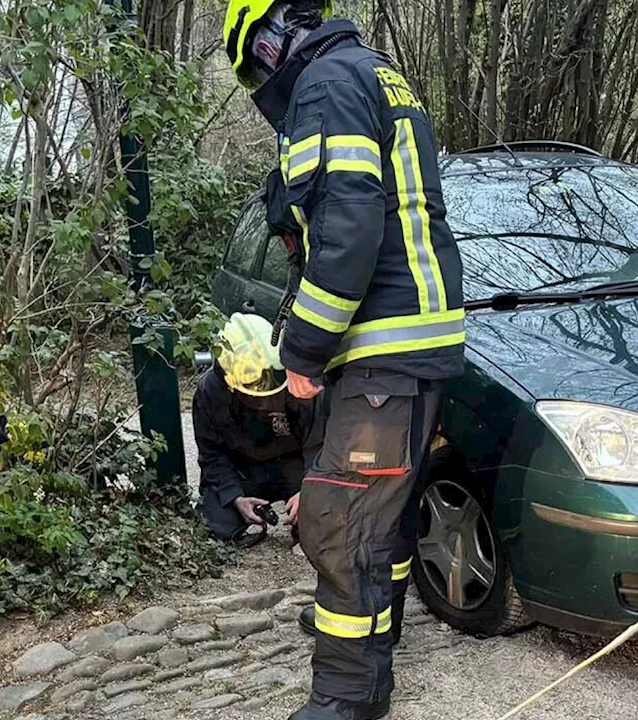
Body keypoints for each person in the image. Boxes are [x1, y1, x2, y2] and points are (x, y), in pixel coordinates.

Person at [222, 0, 465, 716]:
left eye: (255, 61)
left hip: (379, 348)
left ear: (270, 41)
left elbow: (346, 231)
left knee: (340, 525)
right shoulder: (378, 74)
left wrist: (302, 350)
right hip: (410, 347)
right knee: (376, 525)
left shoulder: (327, 86)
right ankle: (364, 635)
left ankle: (346, 696)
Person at [193, 313, 318, 545]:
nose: (264, 401)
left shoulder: (296, 383)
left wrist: (311, 490)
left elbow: (320, 443)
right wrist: (235, 497)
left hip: (292, 464)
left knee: (319, 520)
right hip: (242, 469)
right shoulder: (210, 392)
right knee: (218, 525)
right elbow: (212, 455)